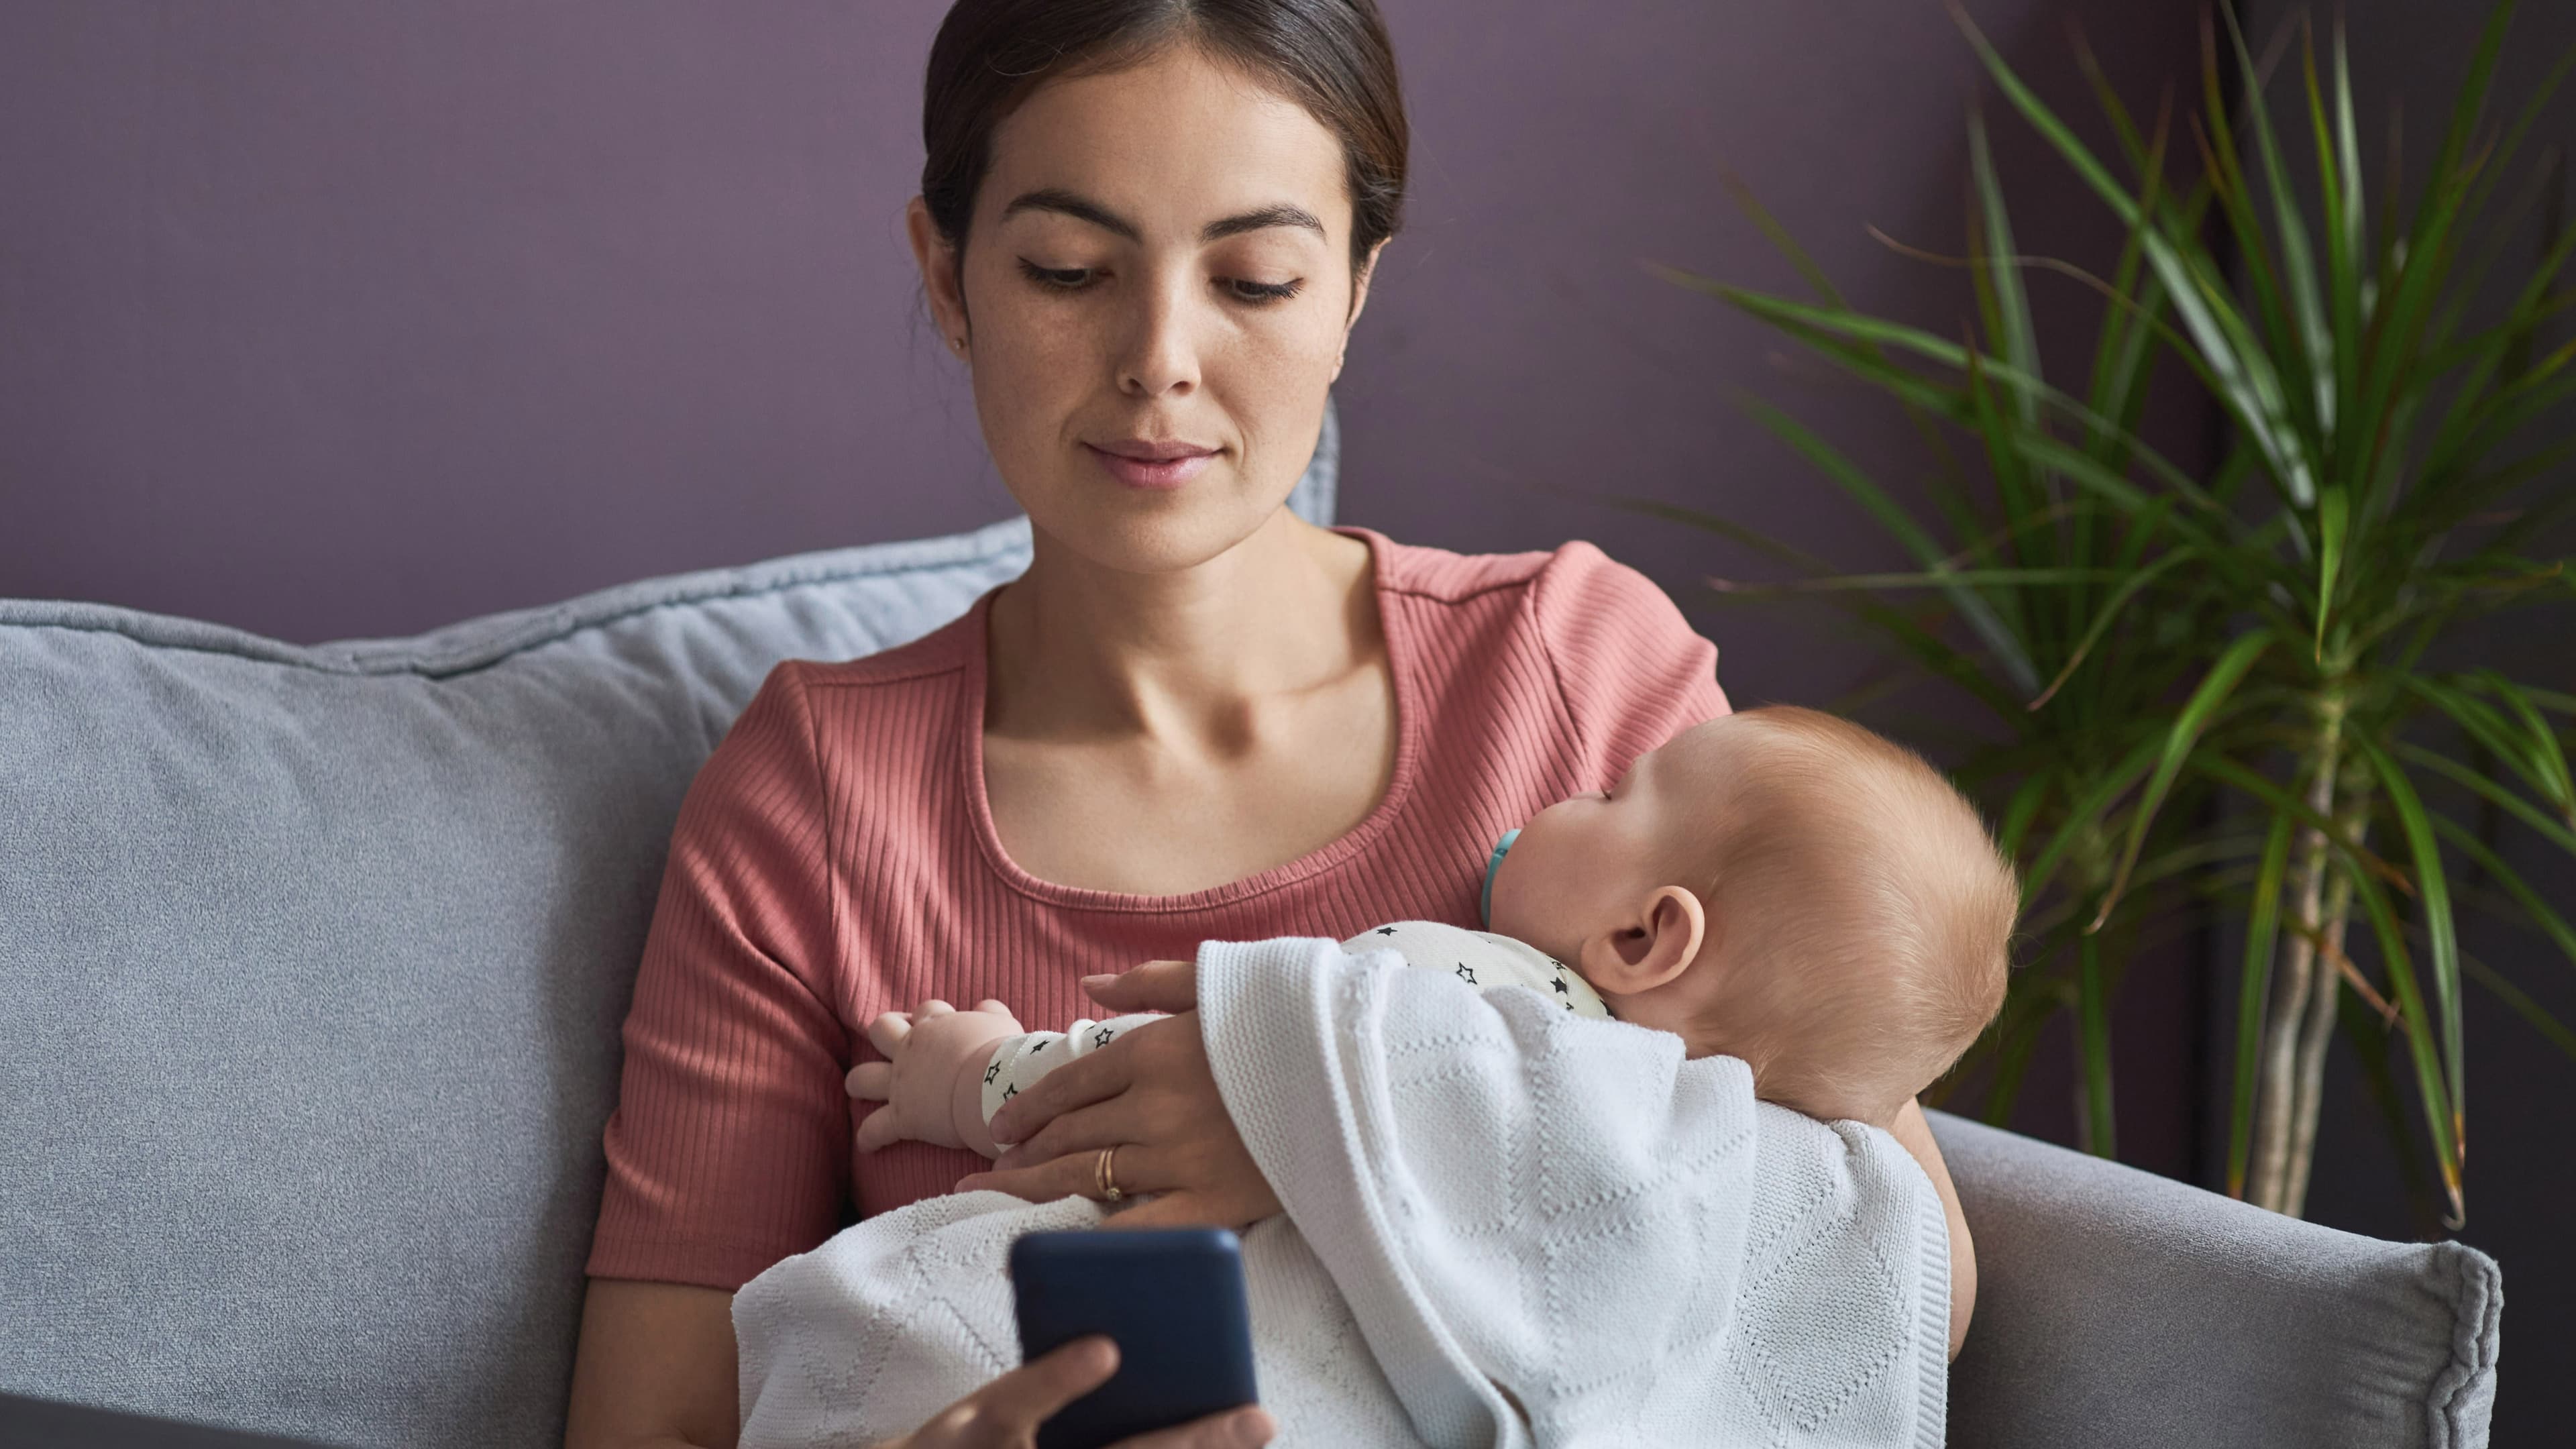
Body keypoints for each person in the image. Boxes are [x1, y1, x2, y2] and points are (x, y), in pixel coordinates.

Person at [561, 4, 1974, 1446]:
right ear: (948, 275)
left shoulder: (1575, 678)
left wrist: (1335, 1135)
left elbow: (1893, 1266)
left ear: (1353, 290)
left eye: (1255, 279)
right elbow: (647, 1426)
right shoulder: (812, 802)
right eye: (1068, 269)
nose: (1160, 358)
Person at [853, 705, 2017, 1173]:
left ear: (1642, 937)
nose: (1571, 792)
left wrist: (972, 1076)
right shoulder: (1712, 1157)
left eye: (1611, 794)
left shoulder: (1461, 993)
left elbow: (1162, 1081)